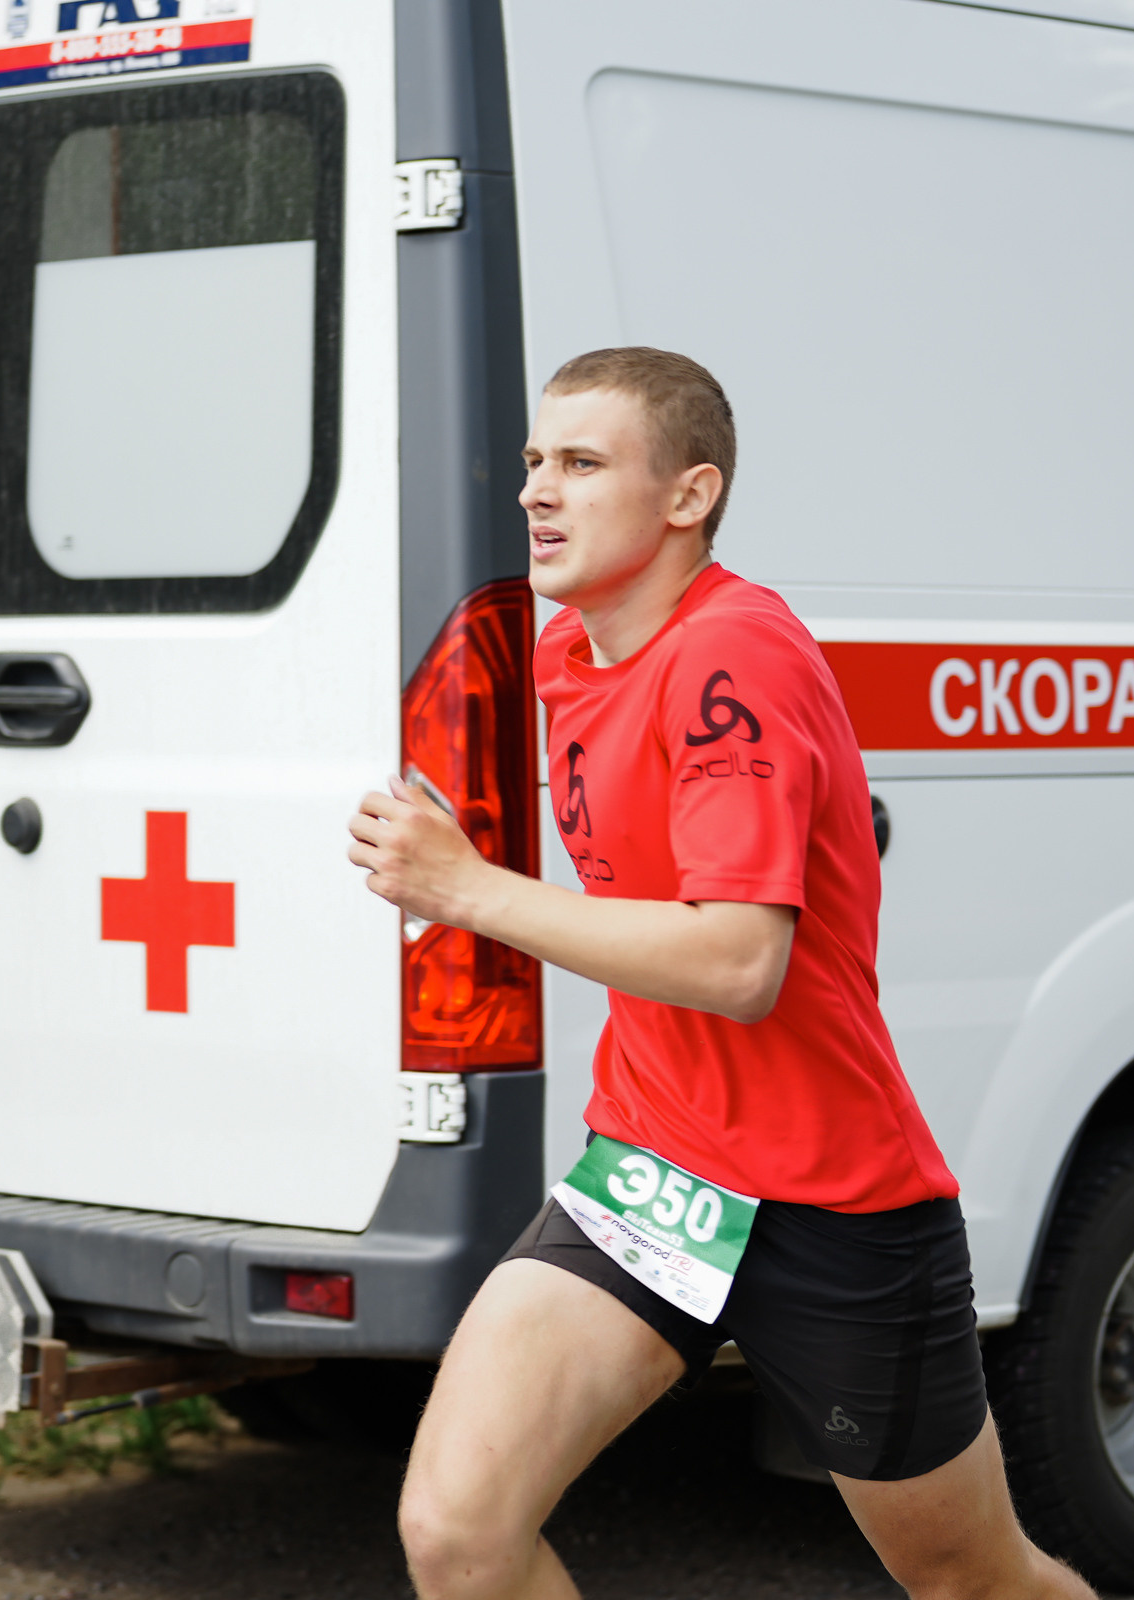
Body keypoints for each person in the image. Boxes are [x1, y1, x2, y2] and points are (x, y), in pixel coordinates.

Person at [346, 347, 1093, 1600]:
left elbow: (742, 959)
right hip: (656, 1170)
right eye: (534, 461)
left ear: (689, 496)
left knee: (975, 1579)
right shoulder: (570, 655)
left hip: (832, 1204)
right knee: (458, 1532)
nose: (537, 490)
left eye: (582, 463)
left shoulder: (733, 654)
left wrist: (468, 888)